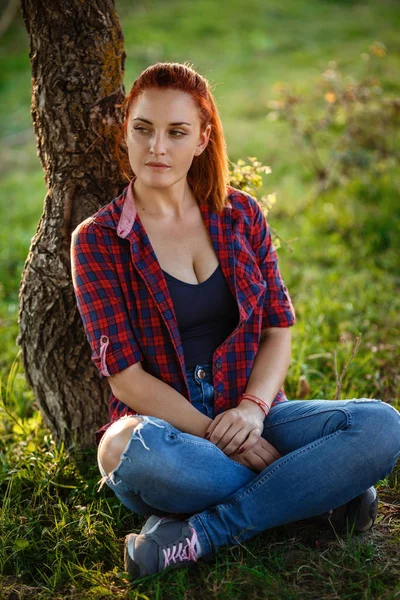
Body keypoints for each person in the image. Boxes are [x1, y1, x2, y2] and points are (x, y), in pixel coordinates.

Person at [70, 62, 400, 581]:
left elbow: (276, 330)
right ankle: (317, 496)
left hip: (256, 414)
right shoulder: (98, 239)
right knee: (130, 452)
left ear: (202, 138)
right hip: (174, 437)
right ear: (125, 130)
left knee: (381, 425)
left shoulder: (240, 215)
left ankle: (202, 533)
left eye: (176, 132)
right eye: (143, 128)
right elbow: (125, 378)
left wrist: (250, 412)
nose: (157, 147)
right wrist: (218, 434)